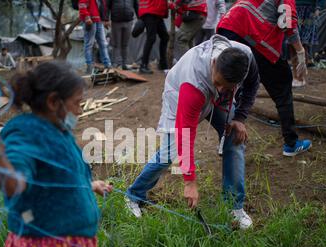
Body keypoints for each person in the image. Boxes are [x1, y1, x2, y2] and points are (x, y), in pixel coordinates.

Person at [0, 61, 112, 247]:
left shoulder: (57, 131)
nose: (80, 111)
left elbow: (57, 177)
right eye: (77, 103)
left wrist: (89, 186)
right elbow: (14, 185)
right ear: (54, 102)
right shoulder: (25, 134)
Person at [125, 35, 260, 230]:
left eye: (227, 86)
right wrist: (189, 182)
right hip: (180, 94)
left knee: (235, 138)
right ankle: (133, 195)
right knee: (169, 153)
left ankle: (234, 206)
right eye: (218, 82)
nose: (221, 88)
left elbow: (252, 85)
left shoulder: (245, 57)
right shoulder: (193, 83)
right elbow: (185, 135)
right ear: (214, 63)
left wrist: (239, 118)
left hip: (215, 101)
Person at [217, 0, 313, 157]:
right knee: (281, 82)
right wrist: (300, 51)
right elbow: (287, 20)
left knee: (234, 85)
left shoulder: (201, 70)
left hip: (228, 28)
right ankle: (291, 143)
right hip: (252, 33)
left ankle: (225, 142)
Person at [291, 0, 326, 87]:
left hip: (308, 10)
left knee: (303, 43)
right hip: (291, 7)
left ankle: (300, 78)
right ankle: (295, 76)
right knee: (291, 42)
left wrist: (318, 7)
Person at [79, 0, 113, 74]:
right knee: (89, 44)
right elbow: (82, 4)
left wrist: (106, 20)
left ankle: (107, 65)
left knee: (103, 43)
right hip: (90, 21)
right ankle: (89, 67)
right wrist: (87, 17)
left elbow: (103, 7)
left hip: (98, 20)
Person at [138, 0, 169, 74]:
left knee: (165, 37)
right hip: (151, 12)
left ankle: (162, 64)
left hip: (156, 12)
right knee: (151, 39)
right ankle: (143, 65)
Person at [107, 0, 139, 70]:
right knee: (116, 44)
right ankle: (116, 63)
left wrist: (140, 18)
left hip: (128, 21)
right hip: (116, 21)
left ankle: (124, 64)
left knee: (125, 44)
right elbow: (107, 6)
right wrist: (106, 19)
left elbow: (136, 6)